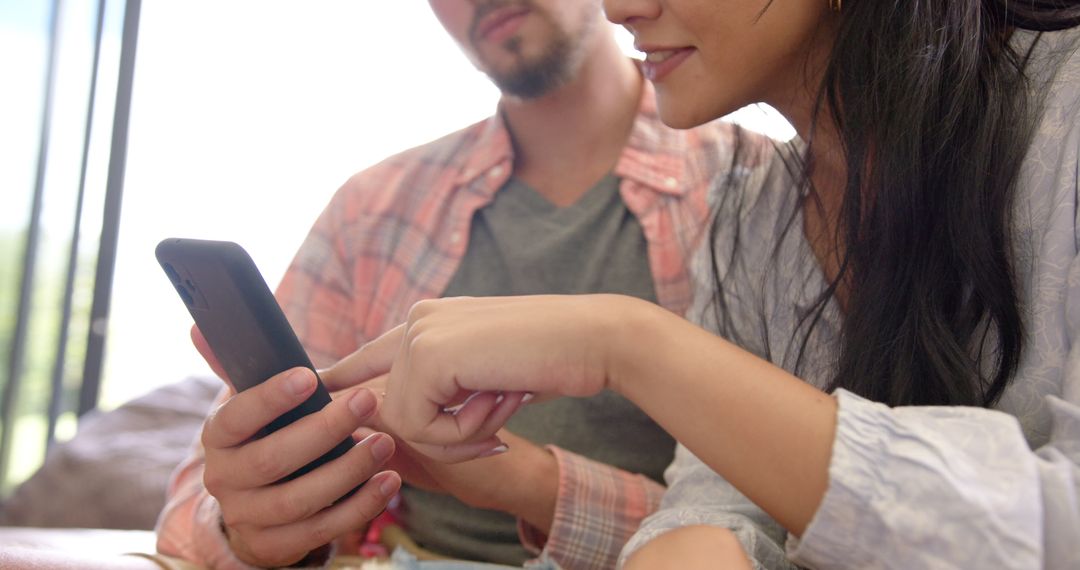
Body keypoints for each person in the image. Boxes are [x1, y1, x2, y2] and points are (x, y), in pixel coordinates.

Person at [344, 0, 1080, 568]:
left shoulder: (1062, 114)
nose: (618, 8)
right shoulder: (751, 219)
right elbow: (719, 512)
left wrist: (625, 343)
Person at [154, 0, 775, 568]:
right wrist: (248, 531)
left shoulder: (763, 191)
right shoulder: (371, 210)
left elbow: (802, 520)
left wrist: (527, 481)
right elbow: (196, 510)